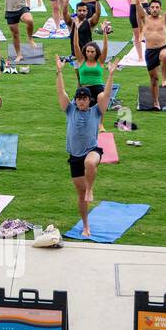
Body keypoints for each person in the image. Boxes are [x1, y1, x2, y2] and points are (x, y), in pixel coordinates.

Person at [56, 54, 116, 238]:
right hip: (74, 156)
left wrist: (111, 75)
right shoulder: (70, 110)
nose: (81, 100)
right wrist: (59, 72)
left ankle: (91, 188)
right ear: (76, 100)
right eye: (79, 98)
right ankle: (86, 226)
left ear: (90, 100)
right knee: (80, 196)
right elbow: (61, 93)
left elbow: (105, 95)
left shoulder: (96, 111)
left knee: (90, 164)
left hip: (92, 150)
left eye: (85, 98)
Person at [136, 0, 166, 110]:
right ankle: (155, 103)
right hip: (150, 51)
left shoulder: (165, 19)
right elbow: (137, 4)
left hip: (163, 47)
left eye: (157, 7)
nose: (154, 9)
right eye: (152, 7)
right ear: (149, 8)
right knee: (154, 79)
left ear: (160, 9)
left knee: (164, 55)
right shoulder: (145, 19)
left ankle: (165, 80)